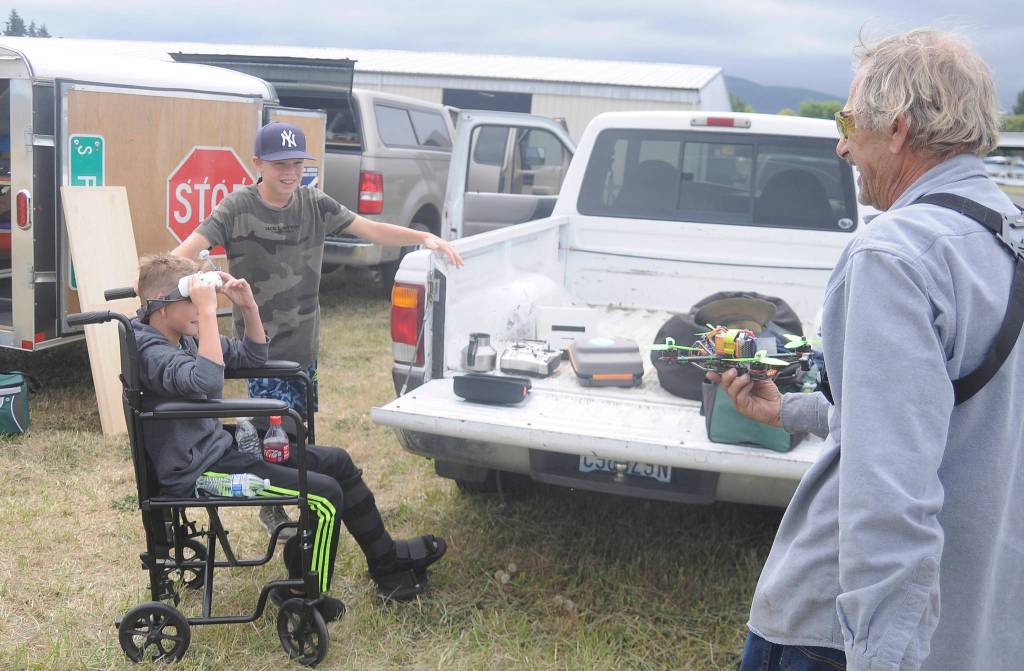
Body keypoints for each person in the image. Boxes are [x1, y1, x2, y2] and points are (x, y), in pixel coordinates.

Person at [710, 29, 1023, 671]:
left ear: (898, 127)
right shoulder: (1008, 240)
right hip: (977, 625)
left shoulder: (893, 256)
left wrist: (882, 656)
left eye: (849, 122)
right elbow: (945, 420)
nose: (842, 144)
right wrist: (788, 410)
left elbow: (889, 493)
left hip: (844, 635)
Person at [172, 121, 463, 538]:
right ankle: (274, 508)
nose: (290, 173)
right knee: (276, 440)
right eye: (280, 165)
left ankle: (304, 503)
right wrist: (190, 283)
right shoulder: (236, 209)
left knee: (299, 434)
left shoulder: (314, 203)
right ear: (258, 164)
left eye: (297, 164)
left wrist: (423, 236)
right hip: (260, 353)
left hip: (304, 349)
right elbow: (183, 254)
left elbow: (370, 229)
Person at [133, 253, 446, 618]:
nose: (200, 307)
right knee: (325, 495)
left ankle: (386, 561)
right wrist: (205, 313)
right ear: (162, 306)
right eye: (192, 299)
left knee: (338, 463)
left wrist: (248, 307)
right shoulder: (151, 351)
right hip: (199, 471)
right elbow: (207, 380)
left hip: (219, 449)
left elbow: (253, 355)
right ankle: (301, 594)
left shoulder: (181, 337)